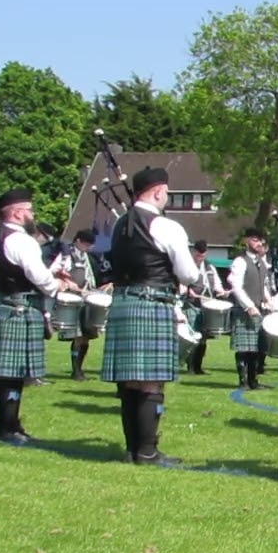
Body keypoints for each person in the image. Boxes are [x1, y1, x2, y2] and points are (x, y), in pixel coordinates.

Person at [101, 168, 202, 464]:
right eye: (167, 192)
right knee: (151, 381)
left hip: (122, 303)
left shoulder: (119, 225)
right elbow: (189, 273)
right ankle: (148, 451)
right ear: (158, 191)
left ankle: (133, 448)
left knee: (129, 380)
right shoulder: (166, 226)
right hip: (152, 303)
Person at [0, 189, 78, 442]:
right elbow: (39, 278)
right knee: (12, 374)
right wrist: (57, 284)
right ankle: (9, 428)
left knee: (6, 373)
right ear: (16, 212)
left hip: (7, 305)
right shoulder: (21, 240)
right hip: (20, 308)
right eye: (29, 210)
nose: (33, 215)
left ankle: (8, 425)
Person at [228, 228, 276, 390]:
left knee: (256, 348)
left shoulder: (262, 263)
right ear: (246, 241)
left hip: (258, 310)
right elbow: (236, 287)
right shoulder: (240, 261)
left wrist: (269, 301)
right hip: (244, 311)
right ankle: (243, 382)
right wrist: (248, 306)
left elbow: (263, 285)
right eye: (255, 240)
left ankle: (253, 381)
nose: (259, 243)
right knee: (243, 348)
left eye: (260, 240)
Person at [55, 229, 102, 381]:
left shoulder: (87, 257)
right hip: (73, 298)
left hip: (86, 297)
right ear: (79, 241)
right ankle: (76, 371)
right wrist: (68, 282)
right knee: (78, 335)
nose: (89, 248)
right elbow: (55, 271)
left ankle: (80, 369)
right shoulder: (66, 254)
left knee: (86, 336)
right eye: (87, 244)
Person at [182, 240, 227, 375]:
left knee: (203, 337)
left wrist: (220, 291)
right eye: (198, 253)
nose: (200, 256)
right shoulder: (186, 266)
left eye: (203, 254)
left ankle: (198, 366)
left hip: (206, 306)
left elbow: (216, 284)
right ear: (194, 252)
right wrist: (187, 290)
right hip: (190, 304)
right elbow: (179, 282)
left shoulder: (209, 267)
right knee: (193, 336)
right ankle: (190, 366)